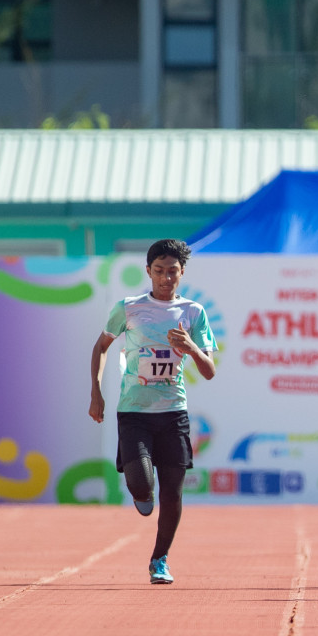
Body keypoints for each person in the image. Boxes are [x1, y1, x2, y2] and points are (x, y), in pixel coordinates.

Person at [89, 238, 217, 584]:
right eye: (158, 271)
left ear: (182, 272)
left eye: (172, 271)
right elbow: (101, 348)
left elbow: (209, 370)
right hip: (134, 411)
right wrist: (96, 392)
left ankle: (160, 559)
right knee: (143, 486)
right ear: (147, 272)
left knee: (173, 491)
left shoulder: (193, 312)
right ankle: (140, 491)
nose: (165, 278)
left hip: (173, 411)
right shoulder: (128, 308)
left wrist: (190, 347)